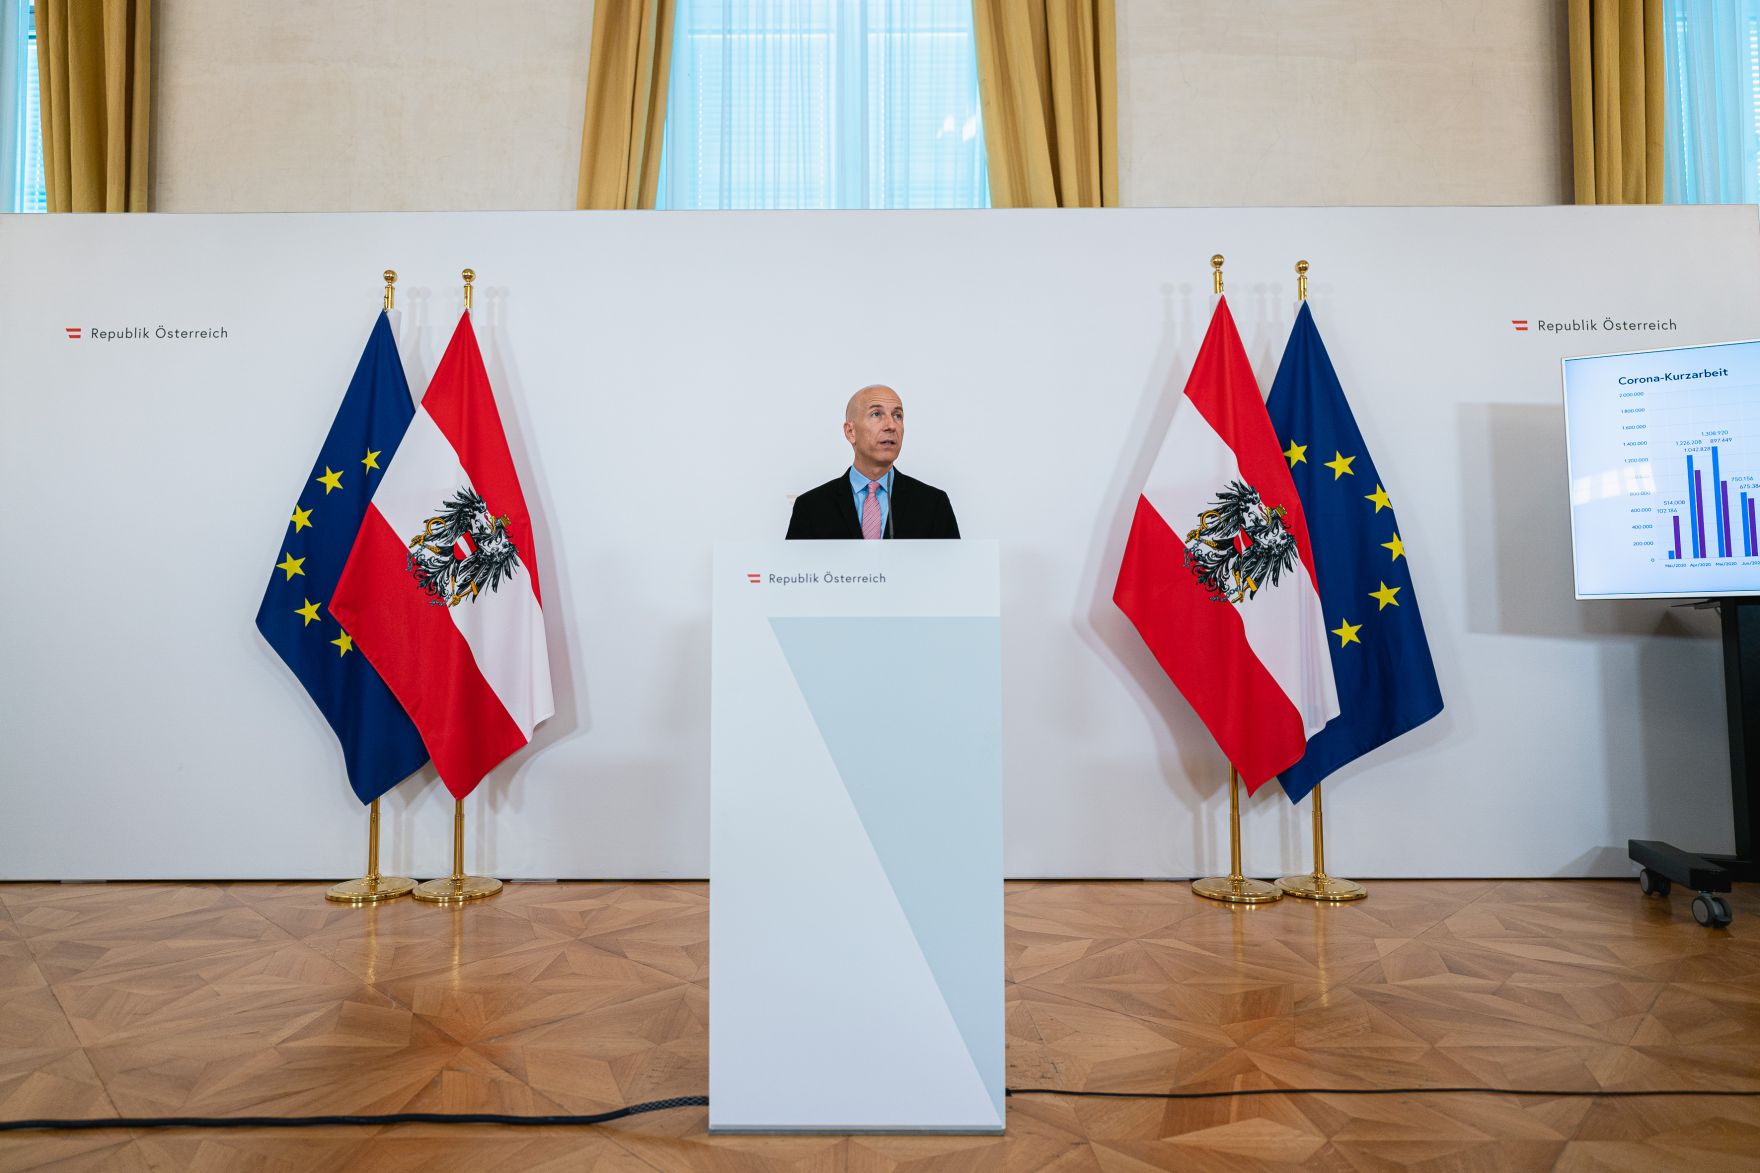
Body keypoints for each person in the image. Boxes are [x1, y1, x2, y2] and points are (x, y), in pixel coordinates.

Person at [785, 384, 960, 540]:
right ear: (850, 432)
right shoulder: (811, 507)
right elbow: (796, 573)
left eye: (898, 416)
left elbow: (953, 572)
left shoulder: (933, 504)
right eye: (876, 414)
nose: (891, 425)